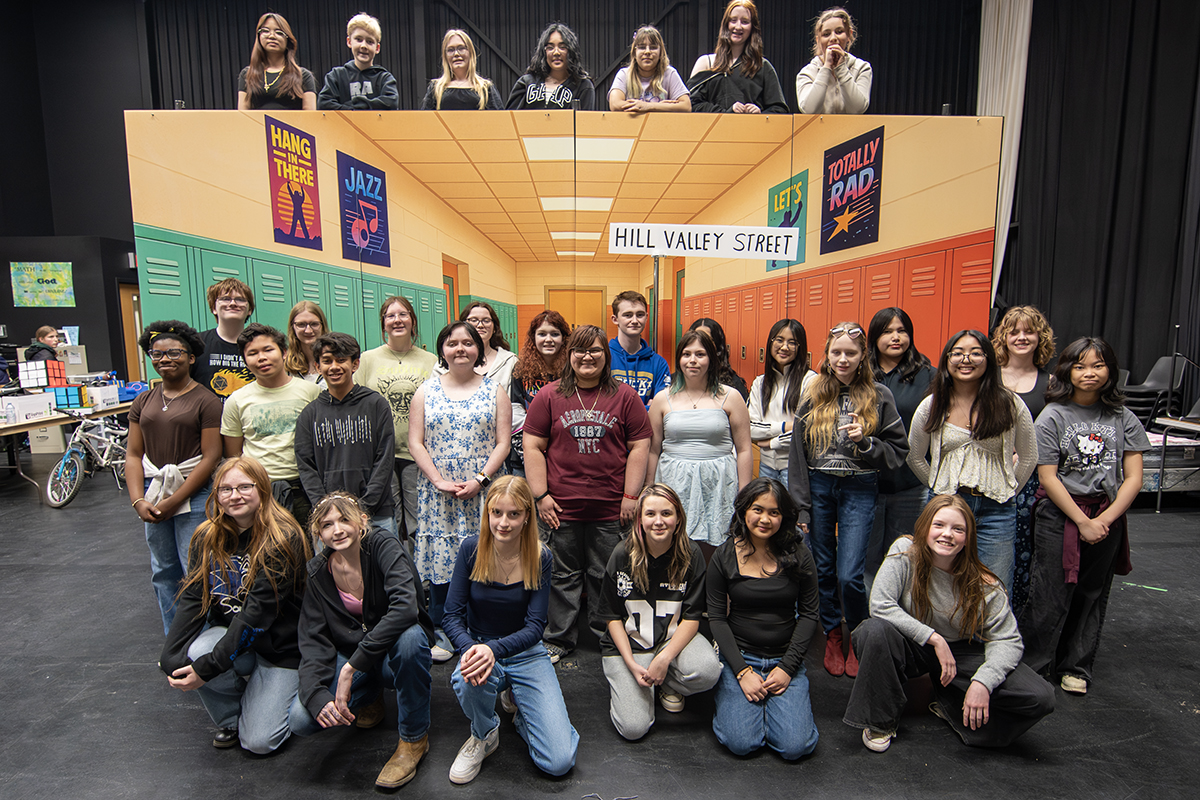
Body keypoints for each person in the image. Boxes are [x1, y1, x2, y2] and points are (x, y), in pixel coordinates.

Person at [845, 494, 1055, 752]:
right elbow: (880, 604)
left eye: (958, 529)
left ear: (968, 538)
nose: (947, 534)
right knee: (873, 630)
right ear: (925, 527)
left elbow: (1007, 639)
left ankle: (951, 706)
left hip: (958, 653)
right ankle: (880, 721)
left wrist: (984, 681)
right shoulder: (905, 551)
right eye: (939, 525)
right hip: (912, 644)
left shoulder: (985, 584)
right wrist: (934, 638)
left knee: (1041, 697)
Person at [1019, 337, 1149, 696]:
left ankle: (1075, 666)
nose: (1089, 373)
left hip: (1106, 512)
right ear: (1067, 371)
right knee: (1049, 593)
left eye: (1098, 365)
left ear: (1110, 370)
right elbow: (1047, 477)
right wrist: (1082, 521)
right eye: (1080, 366)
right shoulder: (1053, 416)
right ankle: (1033, 666)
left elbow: (1134, 478)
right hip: (1060, 514)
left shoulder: (1123, 417)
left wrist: (1104, 520)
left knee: (1092, 592)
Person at [160, 457, 313, 753]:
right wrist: (170, 655)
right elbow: (194, 597)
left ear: (262, 489)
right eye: (226, 489)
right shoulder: (206, 536)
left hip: (281, 648)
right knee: (193, 653)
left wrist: (208, 670)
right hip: (236, 637)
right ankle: (232, 718)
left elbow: (256, 615)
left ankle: (285, 691)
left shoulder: (283, 537)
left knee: (259, 743)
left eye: (244, 487)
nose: (235, 496)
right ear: (216, 495)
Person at [524, 324, 652, 663]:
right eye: (580, 350)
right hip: (560, 507)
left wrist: (631, 496)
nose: (587, 356)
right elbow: (533, 446)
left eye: (595, 350)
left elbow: (640, 446)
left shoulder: (625, 396)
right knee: (561, 576)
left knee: (605, 575)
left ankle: (606, 636)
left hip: (611, 507)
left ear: (605, 355)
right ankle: (559, 637)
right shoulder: (549, 396)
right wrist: (541, 495)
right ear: (569, 355)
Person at [788, 322, 909, 678]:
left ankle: (856, 632)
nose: (843, 359)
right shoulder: (812, 394)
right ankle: (832, 633)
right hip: (820, 486)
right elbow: (798, 455)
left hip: (859, 487)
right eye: (836, 352)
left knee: (850, 574)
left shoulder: (879, 395)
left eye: (851, 353)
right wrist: (801, 507)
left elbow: (898, 450)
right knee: (823, 567)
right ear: (826, 355)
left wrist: (866, 442)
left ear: (862, 356)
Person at [289, 492, 433, 789]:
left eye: (344, 520)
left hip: (391, 651)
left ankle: (414, 739)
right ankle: (369, 696)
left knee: (411, 639)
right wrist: (315, 695)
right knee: (302, 719)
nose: (337, 530)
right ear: (318, 534)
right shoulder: (317, 572)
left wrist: (351, 667)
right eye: (327, 525)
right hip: (356, 655)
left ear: (362, 521)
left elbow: (406, 608)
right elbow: (313, 640)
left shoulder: (383, 545)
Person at [443, 476, 579, 783]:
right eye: (497, 513)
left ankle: (520, 712)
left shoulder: (541, 556)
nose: (503, 523)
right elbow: (451, 616)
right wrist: (473, 649)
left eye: (514, 514)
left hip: (525, 652)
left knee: (558, 763)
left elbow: (536, 627)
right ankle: (485, 733)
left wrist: (493, 650)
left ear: (527, 516)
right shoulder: (470, 549)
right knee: (466, 677)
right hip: (479, 646)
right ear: (488, 512)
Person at [409, 322, 511, 662]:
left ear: (478, 349)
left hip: (483, 491)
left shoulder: (495, 390)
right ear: (443, 349)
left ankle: (481, 627)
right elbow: (415, 442)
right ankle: (442, 630)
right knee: (443, 562)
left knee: (484, 557)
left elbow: (503, 442)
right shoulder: (426, 391)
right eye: (452, 343)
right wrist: (438, 480)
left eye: (468, 343)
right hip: (440, 494)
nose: (460, 349)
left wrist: (480, 479)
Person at [908, 330, 1037, 593]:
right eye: (957, 353)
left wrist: (1009, 488)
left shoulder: (1010, 403)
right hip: (946, 510)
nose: (966, 359)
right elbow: (914, 456)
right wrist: (938, 485)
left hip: (996, 511)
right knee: (940, 586)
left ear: (988, 359)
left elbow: (1029, 456)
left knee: (994, 588)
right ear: (946, 360)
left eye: (976, 353)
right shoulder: (932, 405)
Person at [706, 478, 820, 760]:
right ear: (744, 510)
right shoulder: (724, 555)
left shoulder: (799, 553)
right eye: (758, 509)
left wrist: (787, 668)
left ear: (784, 516)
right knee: (741, 743)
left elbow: (809, 615)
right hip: (740, 658)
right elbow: (717, 618)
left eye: (774, 512)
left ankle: (773, 714)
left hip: (785, 659)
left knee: (796, 747)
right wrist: (742, 672)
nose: (765, 519)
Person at [598, 484, 721, 739]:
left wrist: (663, 660)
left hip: (669, 640)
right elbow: (611, 616)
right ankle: (642, 685)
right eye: (650, 514)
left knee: (709, 671)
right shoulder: (622, 554)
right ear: (639, 520)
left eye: (666, 513)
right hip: (631, 645)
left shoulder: (691, 554)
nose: (658, 521)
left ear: (678, 519)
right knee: (633, 729)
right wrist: (631, 665)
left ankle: (662, 681)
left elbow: (692, 617)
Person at [126, 320, 223, 634]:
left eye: (174, 353)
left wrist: (175, 501)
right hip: (154, 492)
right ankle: (174, 636)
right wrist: (138, 500)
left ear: (191, 358)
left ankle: (200, 638)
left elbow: (211, 457)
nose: (164, 359)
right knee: (163, 570)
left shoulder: (206, 400)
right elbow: (133, 455)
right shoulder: (143, 401)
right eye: (157, 354)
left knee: (195, 568)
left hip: (194, 494)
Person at [647, 330, 752, 549]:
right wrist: (649, 489)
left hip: (718, 481)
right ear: (679, 359)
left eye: (700, 354)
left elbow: (744, 449)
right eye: (686, 354)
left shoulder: (730, 397)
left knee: (714, 546)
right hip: (674, 480)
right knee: (674, 544)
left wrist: (745, 494)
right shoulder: (662, 399)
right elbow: (653, 450)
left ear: (711, 359)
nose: (692, 360)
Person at [293, 333, 396, 534]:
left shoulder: (376, 405)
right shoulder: (310, 414)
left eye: (341, 360)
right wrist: (325, 507)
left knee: (383, 555)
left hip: (376, 514)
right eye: (327, 361)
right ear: (318, 367)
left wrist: (363, 506)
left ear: (355, 364)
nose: (334, 367)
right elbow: (306, 466)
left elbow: (384, 459)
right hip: (328, 517)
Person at [355, 296, 439, 539]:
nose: (397, 320)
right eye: (390, 316)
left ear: (413, 321)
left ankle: (418, 563)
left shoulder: (430, 360)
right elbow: (358, 403)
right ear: (383, 324)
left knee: (418, 520)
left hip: (418, 454)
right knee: (388, 520)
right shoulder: (367, 359)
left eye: (403, 314)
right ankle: (393, 562)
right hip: (381, 454)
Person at [221, 324, 321, 526]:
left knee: (308, 543)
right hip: (259, 491)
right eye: (252, 353)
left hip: (304, 488)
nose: (262, 358)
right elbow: (234, 455)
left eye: (268, 350)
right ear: (245, 361)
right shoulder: (236, 401)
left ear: (284, 352)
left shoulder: (311, 392)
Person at [993, 306, 1057, 615]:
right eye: (1014, 331)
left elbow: (1055, 432)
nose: (1021, 337)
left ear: (1039, 337)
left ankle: (1015, 616)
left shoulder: (1051, 383)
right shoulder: (987, 376)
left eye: (1029, 331)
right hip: (990, 471)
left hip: (1029, 480)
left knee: (1023, 548)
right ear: (1003, 338)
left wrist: (1026, 452)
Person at [864, 307, 935, 589]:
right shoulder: (861, 375)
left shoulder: (929, 376)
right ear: (874, 337)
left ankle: (900, 613)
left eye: (902, 331)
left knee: (905, 559)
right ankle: (869, 615)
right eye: (887, 332)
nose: (896, 337)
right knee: (865, 561)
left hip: (910, 484)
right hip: (866, 484)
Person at [687, 0, 789, 114]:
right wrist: (726, 112)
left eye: (745, 22)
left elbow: (779, 110)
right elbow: (691, 104)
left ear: (753, 27)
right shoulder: (706, 63)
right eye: (733, 20)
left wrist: (760, 114)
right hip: (714, 126)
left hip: (750, 125)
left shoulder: (762, 67)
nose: (738, 26)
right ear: (726, 24)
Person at [749, 319, 816, 486]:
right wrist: (785, 426)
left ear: (800, 348)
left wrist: (772, 443)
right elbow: (750, 429)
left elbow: (808, 432)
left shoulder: (810, 381)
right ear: (771, 342)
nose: (785, 347)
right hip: (766, 466)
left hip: (795, 467)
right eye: (779, 340)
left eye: (792, 342)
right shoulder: (760, 383)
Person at [509, 310, 571, 475]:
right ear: (533, 338)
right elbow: (515, 409)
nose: (548, 339)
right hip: (525, 451)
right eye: (542, 334)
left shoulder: (572, 370)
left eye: (555, 334)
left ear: (564, 338)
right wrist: (534, 439)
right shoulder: (521, 369)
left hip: (563, 451)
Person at [795, 6, 873, 115]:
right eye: (826, 34)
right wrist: (826, 68)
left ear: (849, 35)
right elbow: (808, 110)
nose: (833, 38)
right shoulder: (806, 73)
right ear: (818, 40)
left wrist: (841, 69)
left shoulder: (862, 68)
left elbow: (858, 109)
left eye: (839, 32)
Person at [459, 301, 522, 428]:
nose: (480, 325)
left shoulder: (510, 361)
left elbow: (515, 407)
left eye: (486, 320)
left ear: (494, 328)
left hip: (499, 432)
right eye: (473, 320)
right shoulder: (448, 363)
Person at [317, 13, 399, 110]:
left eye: (370, 42)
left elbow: (391, 103)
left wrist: (352, 105)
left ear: (377, 48)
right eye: (359, 39)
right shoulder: (336, 76)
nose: (363, 46)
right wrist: (357, 109)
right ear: (349, 42)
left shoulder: (384, 78)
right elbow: (324, 103)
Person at [236, 13, 317, 111]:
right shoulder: (247, 74)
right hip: (256, 122)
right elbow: (243, 114)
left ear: (288, 40)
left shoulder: (303, 76)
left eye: (279, 32)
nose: (271, 36)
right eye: (265, 31)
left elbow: (310, 115)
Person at [506, 22, 596, 110]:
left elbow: (586, 119)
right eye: (550, 48)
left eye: (562, 47)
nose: (556, 52)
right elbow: (508, 117)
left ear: (571, 51)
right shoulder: (526, 83)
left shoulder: (583, 86)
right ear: (543, 52)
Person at [193, 278, 255, 400]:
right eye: (225, 299)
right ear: (214, 308)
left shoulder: (260, 346)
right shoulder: (197, 343)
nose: (233, 303)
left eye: (240, 299)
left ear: (250, 310)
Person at [609, 290, 671, 410]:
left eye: (640, 315)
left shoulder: (659, 363)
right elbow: (599, 404)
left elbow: (662, 407)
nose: (634, 321)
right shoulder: (604, 357)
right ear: (615, 319)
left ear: (646, 318)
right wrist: (647, 408)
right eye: (628, 315)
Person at [608, 25, 691, 113]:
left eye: (653, 47)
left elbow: (686, 106)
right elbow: (615, 104)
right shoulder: (624, 74)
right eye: (642, 47)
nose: (647, 51)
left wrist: (649, 106)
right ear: (634, 52)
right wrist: (663, 107)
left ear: (661, 52)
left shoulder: (670, 74)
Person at [421, 29, 501, 110]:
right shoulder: (435, 88)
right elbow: (424, 117)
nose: (456, 54)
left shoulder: (486, 88)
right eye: (450, 50)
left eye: (461, 48)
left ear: (471, 53)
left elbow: (500, 117)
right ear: (445, 56)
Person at [689, 317, 749, 401]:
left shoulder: (734, 384)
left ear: (717, 347)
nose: (701, 345)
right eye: (696, 339)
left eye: (707, 340)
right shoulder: (675, 382)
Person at [284, 300, 328, 383]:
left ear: (323, 325)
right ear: (292, 327)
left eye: (314, 324)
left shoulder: (336, 360)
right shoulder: (285, 365)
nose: (308, 330)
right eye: (301, 324)